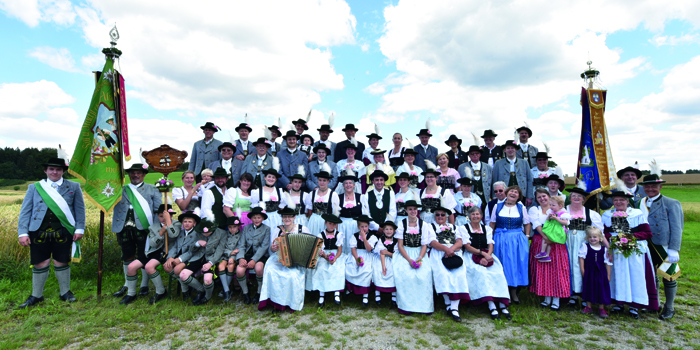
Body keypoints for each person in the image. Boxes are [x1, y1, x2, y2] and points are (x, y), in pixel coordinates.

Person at [17, 157, 85, 308]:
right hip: (37, 231)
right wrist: (22, 232)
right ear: (45, 170)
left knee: (62, 260)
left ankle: (65, 292)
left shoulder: (74, 186)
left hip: (64, 230)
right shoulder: (34, 187)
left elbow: (80, 210)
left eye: (58, 169)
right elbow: (25, 211)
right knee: (40, 262)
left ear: (63, 171)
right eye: (51, 169)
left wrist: (80, 228)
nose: (55, 172)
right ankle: (36, 295)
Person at [602, 190, 657, 319]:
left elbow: (647, 233)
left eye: (622, 200)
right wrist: (614, 239)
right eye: (616, 200)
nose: (619, 202)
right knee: (617, 275)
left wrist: (630, 237)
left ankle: (635, 305)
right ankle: (618, 303)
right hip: (615, 249)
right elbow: (604, 232)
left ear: (627, 201)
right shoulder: (607, 215)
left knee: (635, 276)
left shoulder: (636, 214)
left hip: (634, 250)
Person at [111, 163, 161, 299]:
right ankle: (127, 284)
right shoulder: (119, 189)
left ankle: (144, 285)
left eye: (139, 173)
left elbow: (158, 210)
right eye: (133, 172)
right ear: (128, 174)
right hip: (123, 227)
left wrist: (156, 229)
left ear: (144, 174)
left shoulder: (152, 189)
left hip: (144, 228)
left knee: (144, 256)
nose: (136, 175)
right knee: (127, 256)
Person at [639, 173, 684, 320]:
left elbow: (677, 227)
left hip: (664, 246)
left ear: (660, 186)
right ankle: (654, 304)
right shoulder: (641, 202)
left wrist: (674, 248)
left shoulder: (671, 203)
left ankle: (669, 307)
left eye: (654, 186)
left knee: (669, 276)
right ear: (643, 187)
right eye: (647, 186)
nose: (650, 189)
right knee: (651, 275)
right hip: (646, 245)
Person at [119, 204, 179, 305]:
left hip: (167, 252)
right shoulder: (153, 227)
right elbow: (152, 243)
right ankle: (131, 294)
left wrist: (168, 223)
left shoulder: (177, 224)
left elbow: (174, 234)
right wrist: (161, 233)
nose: (163, 218)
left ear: (171, 215)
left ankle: (161, 292)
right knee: (131, 267)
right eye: (161, 216)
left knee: (149, 267)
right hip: (152, 251)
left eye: (165, 216)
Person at [259, 208, 314, 312]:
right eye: (285, 216)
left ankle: (290, 303)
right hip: (279, 258)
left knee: (292, 275)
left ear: (294, 218)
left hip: (297, 261)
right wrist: (273, 248)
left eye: (289, 216)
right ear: (282, 218)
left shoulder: (303, 229)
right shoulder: (278, 230)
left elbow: (310, 246)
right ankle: (276, 303)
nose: (287, 219)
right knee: (271, 271)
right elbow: (272, 247)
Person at [463, 206, 512, 320]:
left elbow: (490, 244)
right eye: (473, 214)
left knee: (498, 273)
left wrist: (488, 255)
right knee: (482, 273)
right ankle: (491, 305)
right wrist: (482, 254)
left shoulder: (486, 228)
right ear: (469, 216)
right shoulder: (464, 228)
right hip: (471, 256)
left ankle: (502, 303)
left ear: (481, 216)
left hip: (487, 254)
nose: (475, 216)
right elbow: (467, 246)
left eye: (477, 214)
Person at [528, 191, 571, 311]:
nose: (542, 198)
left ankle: (556, 299)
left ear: (548, 197)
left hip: (557, 242)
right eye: (539, 197)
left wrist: (553, 238)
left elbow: (566, 224)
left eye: (544, 196)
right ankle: (546, 298)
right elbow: (536, 224)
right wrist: (546, 238)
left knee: (557, 270)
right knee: (544, 270)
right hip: (541, 240)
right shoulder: (534, 210)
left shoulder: (559, 210)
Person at [565, 184, 605, 308]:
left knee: (582, 267)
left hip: (584, 244)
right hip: (566, 242)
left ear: (584, 199)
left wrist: (607, 247)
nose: (576, 198)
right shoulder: (563, 210)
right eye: (573, 196)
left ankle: (584, 294)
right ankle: (571, 294)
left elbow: (599, 232)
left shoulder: (591, 214)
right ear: (570, 198)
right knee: (568, 265)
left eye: (579, 196)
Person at [489, 185, 531, 304]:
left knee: (515, 265)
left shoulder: (521, 207)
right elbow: (492, 224)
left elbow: (527, 224)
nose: (513, 193)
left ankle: (514, 292)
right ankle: (503, 292)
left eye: (516, 192)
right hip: (501, 238)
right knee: (503, 265)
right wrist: (489, 240)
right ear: (507, 193)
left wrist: (527, 237)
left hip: (517, 239)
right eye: (511, 191)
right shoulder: (497, 206)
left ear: (519, 196)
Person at [428, 206, 469, 322]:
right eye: (437, 214)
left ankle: (454, 308)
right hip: (438, 253)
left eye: (442, 215)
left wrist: (451, 250)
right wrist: (446, 250)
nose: (440, 217)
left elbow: (459, 242)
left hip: (454, 252)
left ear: (447, 216)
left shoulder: (455, 227)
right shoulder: (431, 227)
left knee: (459, 274)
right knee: (442, 274)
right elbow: (432, 242)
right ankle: (447, 302)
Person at [394, 200, 435, 314]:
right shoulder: (401, 224)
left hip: (419, 253)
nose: (413, 211)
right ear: (406, 210)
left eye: (414, 209)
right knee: (405, 273)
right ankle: (406, 306)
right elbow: (400, 245)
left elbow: (424, 246)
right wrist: (409, 260)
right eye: (410, 209)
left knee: (424, 274)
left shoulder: (424, 225)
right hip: (405, 253)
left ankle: (424, 307)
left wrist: (419, 258)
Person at [176, 213, 226, 305]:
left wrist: (210, 263)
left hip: (211, 258)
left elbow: (220, 251)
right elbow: (191, 248)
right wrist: (197, 243)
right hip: (198, 256)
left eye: (207, 232)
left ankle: (207, 297)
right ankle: (201, 290)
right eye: (203, 232)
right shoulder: (197, 231)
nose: (204, 234)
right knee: (183, 275)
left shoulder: (221, 233)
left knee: (207, 280)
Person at [307, 214, 346, 307]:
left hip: (336, 254)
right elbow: (321, 250)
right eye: (330, 223)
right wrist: (326, 257)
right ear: (325, 223)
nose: (332, 226)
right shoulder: (321, 235)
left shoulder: (339, 234)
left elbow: (340, 250)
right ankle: (322, 294)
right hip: (325, 255)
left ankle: (337, 293)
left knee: (338, 268)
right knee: (322, 268)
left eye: (334, 224)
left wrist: (335, 258)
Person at [235, 207, 271, 304]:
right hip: (247, 254)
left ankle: (259, 291)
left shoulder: (266, 229)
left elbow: (264, 247)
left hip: (260, 255)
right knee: (239, 270)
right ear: (251, 219)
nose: (256, 220)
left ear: (263, 218)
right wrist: (241, 258)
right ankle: (245, 292)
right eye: (254, 217)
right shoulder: (246, 228)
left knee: (259, 268)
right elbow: (241, 244)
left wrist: (254, 260)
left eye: (259, 217)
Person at [162, 211, 199, 300]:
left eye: (190, 222)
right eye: (185, 221)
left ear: (194, 223)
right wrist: (170, 257)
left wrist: (180, 259)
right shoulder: (181, 233)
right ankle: (187, 285)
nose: (187, 224)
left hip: (190, 258)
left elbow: (193, 251)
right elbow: (175, 246)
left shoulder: (197, 234)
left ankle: (185, 291)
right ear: (182, 223)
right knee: (167, 266)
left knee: (177, 269)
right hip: (178, 256)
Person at [579, 227, 612, 319]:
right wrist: (583, 270)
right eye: (590, 237)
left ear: (600, 238)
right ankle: (589, 306)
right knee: (589, 287)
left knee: (601, 289)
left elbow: (608, 263)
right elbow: (581, 258)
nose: (592, 239)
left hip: (601, 272)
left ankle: (601, 308)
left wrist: (608, 275)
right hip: (590, 271)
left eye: (595, 237)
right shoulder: (585, 246)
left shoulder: (604, 249)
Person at [345, 215, 378, 307]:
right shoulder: (354, 236)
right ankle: (351, 289)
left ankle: (365, 295)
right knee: (350, 267)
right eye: (362, 227)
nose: (364, 228)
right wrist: (356, 259)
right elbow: (353, 249)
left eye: (366, 226)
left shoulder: (372, 236)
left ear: (368, 226)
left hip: (367, 255)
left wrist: (364, 238)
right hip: (356, 255)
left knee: (366, 270)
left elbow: (368, 249)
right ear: (358, 227)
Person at [492, 140, 534, 206]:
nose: (510, 150)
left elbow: (529, 180)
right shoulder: (498, 163)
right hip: (504, 194)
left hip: (521, 194)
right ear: (504, 150)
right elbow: (495, 180)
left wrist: (529, 196)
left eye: (512, 148)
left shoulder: (524, 162)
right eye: (508, 148)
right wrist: (494, 195)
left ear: (516, 150)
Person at [304, 169, 340, 236]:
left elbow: (335, 213)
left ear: (328, 181)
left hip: (327, 222)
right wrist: (314, 219)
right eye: (320, 180)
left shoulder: (333, 195)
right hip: (314, 222)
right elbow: (309, 211)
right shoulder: (312, 194)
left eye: (324, 180)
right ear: (317, 180)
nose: (322, 182)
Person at [372, 221, 399, 307]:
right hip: (381, 259)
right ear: (383, 230)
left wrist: (388, 252)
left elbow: (396, 255)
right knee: (378, 269)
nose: (388, 231)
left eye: (391, 229)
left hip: (392, 259)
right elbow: (381, 253)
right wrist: (384, 267)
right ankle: (377, 293)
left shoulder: (396, 241)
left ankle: (394, 295)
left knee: (393, 271)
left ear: (394, 230)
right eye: (386, 229)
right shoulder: (381, 240)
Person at [535, 195, 570, 262]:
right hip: (552, 228)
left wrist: (556, 218)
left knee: (547, 236)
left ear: (560, 206)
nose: (551, 207)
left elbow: (566, 223)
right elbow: (547, 220)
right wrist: (549, 217)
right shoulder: (552, 212)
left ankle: (543, 252)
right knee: (547, 237)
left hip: (558, 229)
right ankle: (547, 255)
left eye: (553, 205)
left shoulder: (563, 213)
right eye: (550, 205)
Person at [218, 216, 242, 302]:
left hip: (235, 257)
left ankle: (225, 291)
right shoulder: (225, 234)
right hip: (224, 255)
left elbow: (240, 248)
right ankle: (227, 290)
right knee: (221, 266)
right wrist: (230, 253)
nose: (232, 229)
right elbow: (221, 247)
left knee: (231, 266)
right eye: (230, 227)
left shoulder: (241, 235)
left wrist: (232, 257)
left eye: (234, 227)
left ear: (238, 226)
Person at [337, 169, 363, 249]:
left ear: (354, 185)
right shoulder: (338, 198)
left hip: (355, 226)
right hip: (342, 226)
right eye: (346, 183)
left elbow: (364, 214)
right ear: (343, 185)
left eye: (350, 183)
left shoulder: (360, 197)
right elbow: (336, 214)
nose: (348, 185)